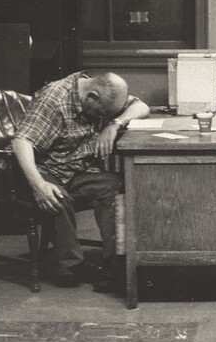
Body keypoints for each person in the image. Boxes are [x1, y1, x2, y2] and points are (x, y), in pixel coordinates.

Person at [12, 71, 149, 291]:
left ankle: (117, 262)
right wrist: (38, 185)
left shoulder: (103, 93)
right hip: (45, 170)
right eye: (102, 112)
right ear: (91, 97)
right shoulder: (54, 99)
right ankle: (75, 264)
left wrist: (114, 124)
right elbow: (21, 142)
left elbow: (142, 106)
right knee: (56, 197)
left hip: (78, 169)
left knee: (115, 188)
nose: (100, 116)